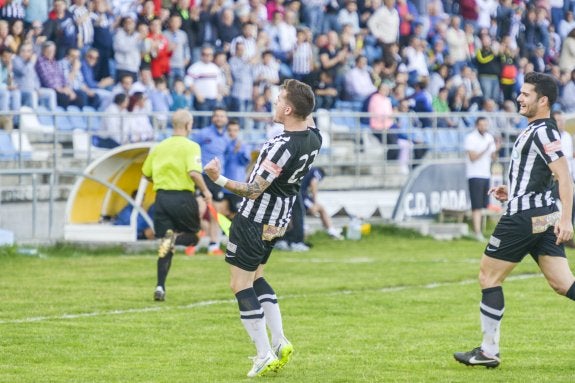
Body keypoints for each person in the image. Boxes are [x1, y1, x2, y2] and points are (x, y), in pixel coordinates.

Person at [454, 72, 574, 368]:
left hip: (524, 217)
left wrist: (568, 220)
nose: (519, 98)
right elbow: (543, 174)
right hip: (542, 214)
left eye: (526, 94)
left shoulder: (544, 131)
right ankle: (487, 350)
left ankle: (488, 351)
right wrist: (515, 190)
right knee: (563, 284)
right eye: (520, 93)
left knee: (488, 276)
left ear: (542, 100)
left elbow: (565, 177)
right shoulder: (535, 129)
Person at [203, 79, 321, 377]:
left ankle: (263, 353)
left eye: (280, 99)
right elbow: (307, 114)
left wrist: (217, 178)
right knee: (257, 276)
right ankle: (279, 341)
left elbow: (254, 190)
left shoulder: (282, 146)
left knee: (239, 284)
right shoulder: (314, 137)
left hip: (254, 219)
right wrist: (299, 93)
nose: (274, 102)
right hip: (278, 220)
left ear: (290, 108)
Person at [141, 109, 212, 302]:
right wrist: (206, 191)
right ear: (188, 125)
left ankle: (160, 286)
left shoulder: (159, 147)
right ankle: (172, 243)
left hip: (162, 197)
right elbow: (194, 173)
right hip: (182, 197)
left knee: (165, 243)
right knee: (195, 237)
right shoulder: (191, 146)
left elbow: (146, 173)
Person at [464, 117, 498, 242]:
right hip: (474, 174)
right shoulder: (471, 138)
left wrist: (497, 147)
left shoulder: (489, 137)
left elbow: (493, 157)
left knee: (484, 204)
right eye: (482, 124)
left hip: (485, 174)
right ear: (477, 125)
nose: (484, 127)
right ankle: (476, 231)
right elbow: (473, 157)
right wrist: (486, 148)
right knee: (476, 205)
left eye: (486, 124)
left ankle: (482, 230)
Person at [300, 167, 343, 240]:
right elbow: (314, 182)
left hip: (299, 193)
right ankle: (331, 231)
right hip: (300, 195)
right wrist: (315, 201)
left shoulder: (309, 169)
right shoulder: (317, 171)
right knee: (319, 208)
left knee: (320, 208)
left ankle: (331, 230)